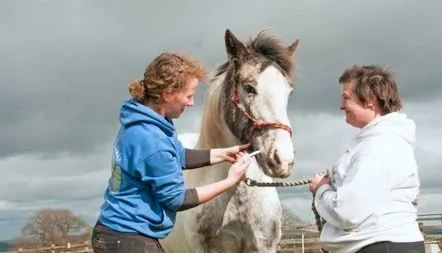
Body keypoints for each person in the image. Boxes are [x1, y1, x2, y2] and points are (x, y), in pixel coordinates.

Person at [91, 52, 252, 253]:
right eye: (188, 95)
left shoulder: (144, 121)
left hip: (117, 233)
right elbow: (176, 199)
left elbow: (177, 155)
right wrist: (230, 181)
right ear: (167, 94)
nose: (191, 102)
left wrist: (223, 154)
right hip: (127, 239)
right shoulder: (150, 139)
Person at [309, 65, 424, 253]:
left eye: (346, 97)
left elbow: (347, 212)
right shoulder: (383, 141)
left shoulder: (378, 147)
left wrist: (321, 188)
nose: (341, 105)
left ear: (370, 101)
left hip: (380, 245)